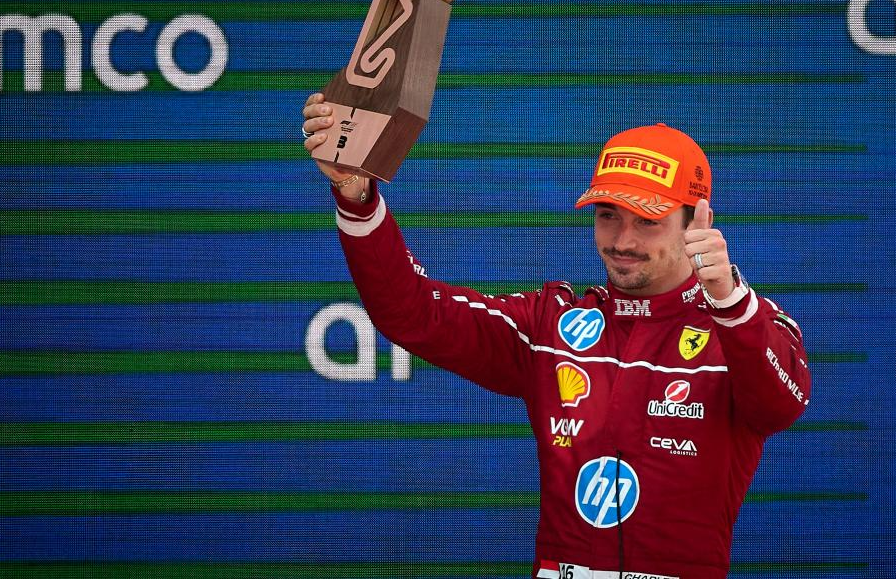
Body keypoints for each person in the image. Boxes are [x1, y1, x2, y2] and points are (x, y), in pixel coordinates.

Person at [302, 92, 811, 579]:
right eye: (608, 216)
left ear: (697, 223)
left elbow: (779, 408)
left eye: (647, 221)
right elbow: (412, 312)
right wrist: (356, 195)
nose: (623, 240)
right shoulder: (553, 324)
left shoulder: (743, 324)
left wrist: (730, 302)